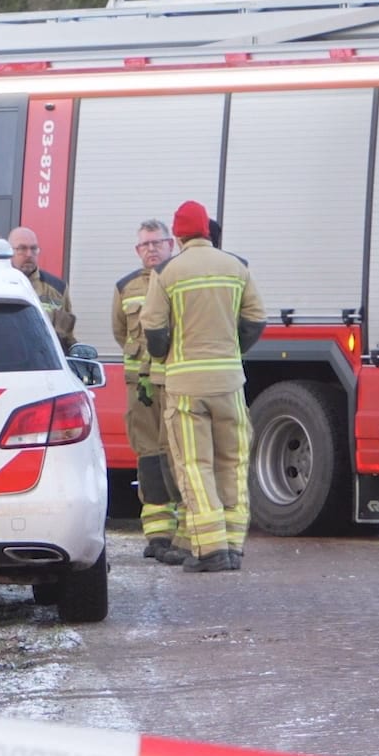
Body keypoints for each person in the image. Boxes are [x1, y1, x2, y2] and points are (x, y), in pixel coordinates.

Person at [140, 200, 265, 573]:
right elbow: (255, 318)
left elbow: (154, 328)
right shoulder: (236, 267)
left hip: (186, 387)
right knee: (232, 462)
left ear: (177, 235)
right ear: (207, 232)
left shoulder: (167, 272)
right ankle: (232, 546)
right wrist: (232, 350)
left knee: (195, 465)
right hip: (230, 383)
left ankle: (210, 550)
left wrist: (167, 353)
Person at [112, 220, 188, 562]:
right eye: (145, 244)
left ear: (172, 244)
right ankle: (158, 535)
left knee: (181, 455)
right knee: (149, 457)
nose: (151, 249)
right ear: (137, 250)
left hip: (177, 383)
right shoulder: (125, 287)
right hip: (140, 390)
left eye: (157, 243)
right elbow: (120, 332)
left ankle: (186, 532)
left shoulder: (182, 279)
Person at [8, 226, 77, 352]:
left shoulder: (58, 289)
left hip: (46, 365)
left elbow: (68, 337)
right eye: (22, 249)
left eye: (33, 249)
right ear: (9, 251)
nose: (29, 254)